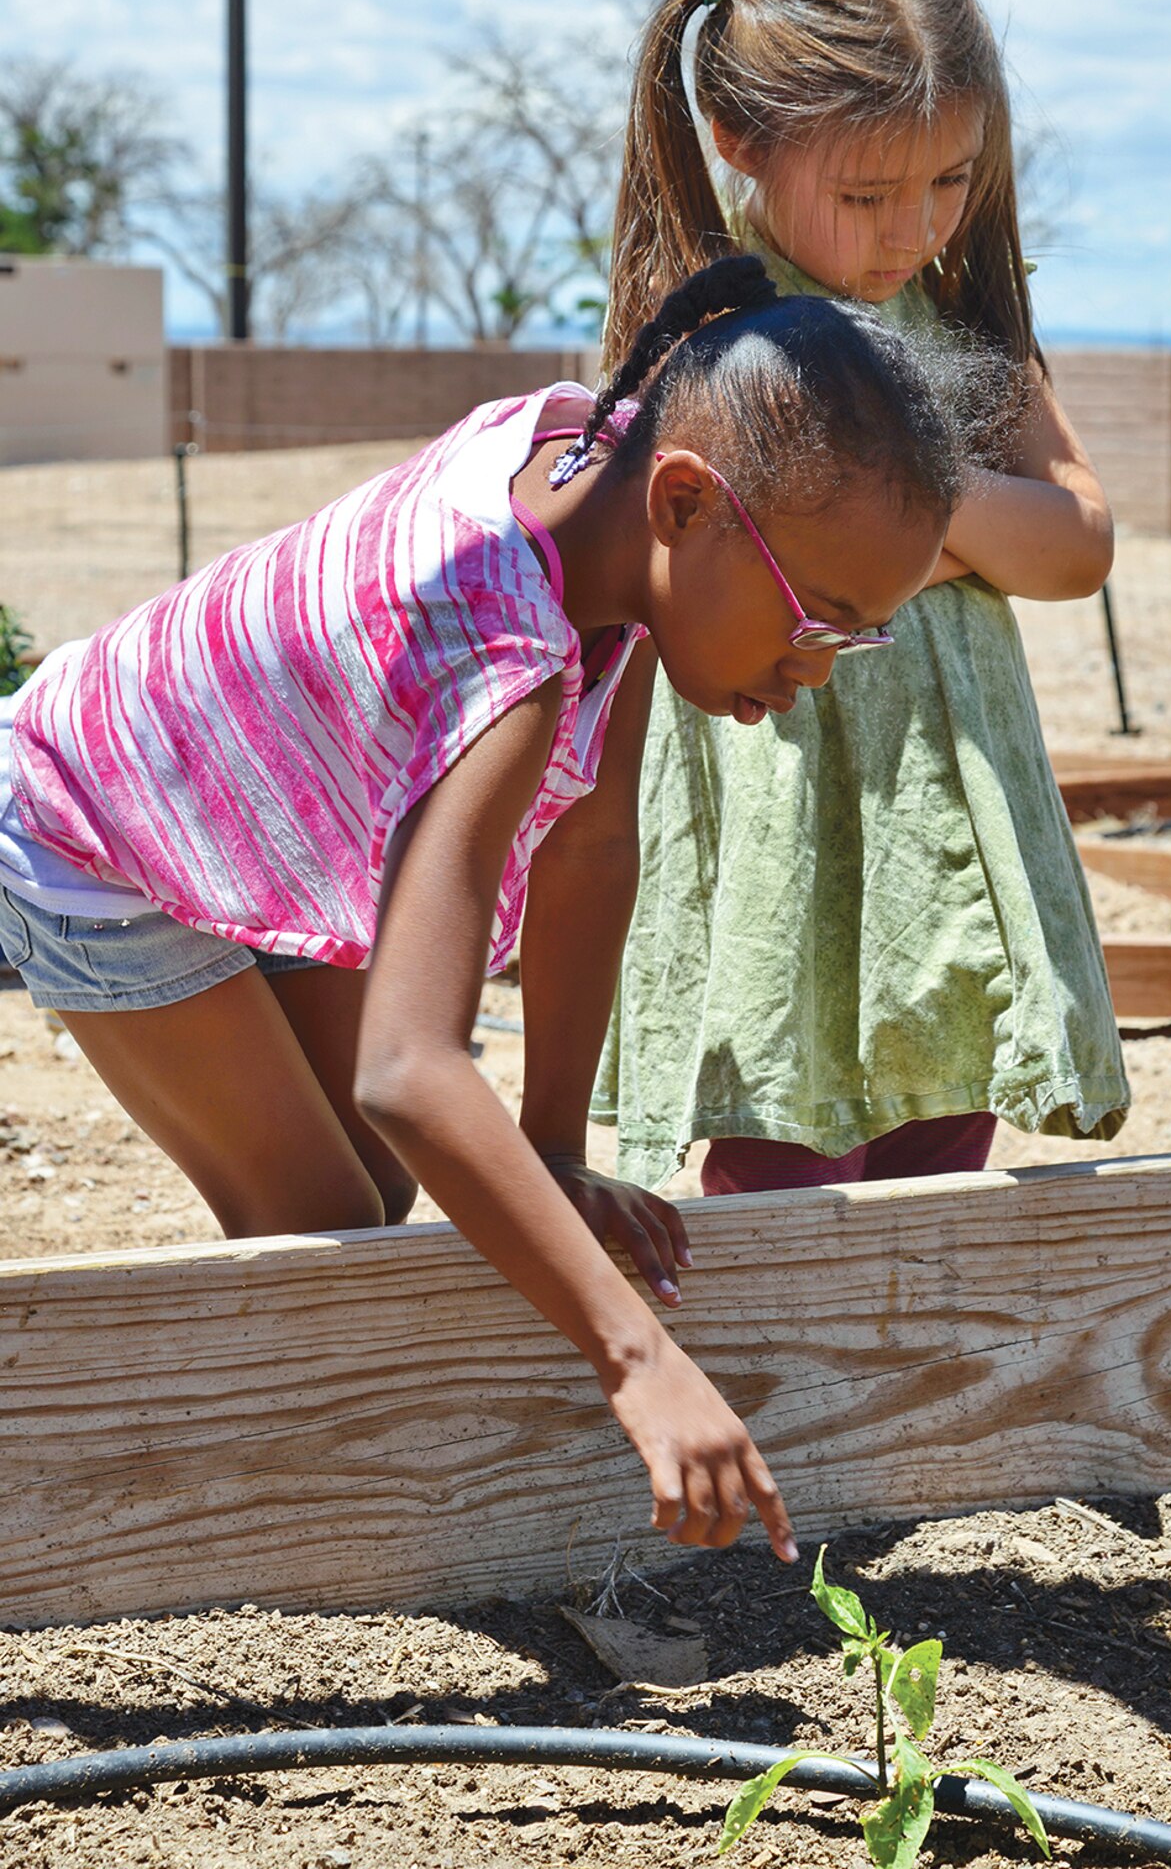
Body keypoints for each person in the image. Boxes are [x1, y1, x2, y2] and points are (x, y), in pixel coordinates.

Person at [0, 257, 965, 1560]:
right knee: (325, 1230)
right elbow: (410, 1066)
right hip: (95, 820)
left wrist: (555, 1151)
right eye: (819, 621)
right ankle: (262, 1541)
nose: (817, 671)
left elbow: (588, 845)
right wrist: (639, 1361)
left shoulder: (598, 476)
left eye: (858, 636)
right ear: (688, 504)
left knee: (412, 1191)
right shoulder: (501, 657)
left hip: (270, 807)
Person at [593, 0, 1131, 1196]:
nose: (914, 226)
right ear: (739, 141)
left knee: (948, 1110)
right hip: (787, 787)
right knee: (785, 1136)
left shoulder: (953, 315)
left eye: (947, 181)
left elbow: (1076, 543)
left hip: (948, 790)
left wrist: (900, 511)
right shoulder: (712, 326)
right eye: (867, 192)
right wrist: (954, 531)